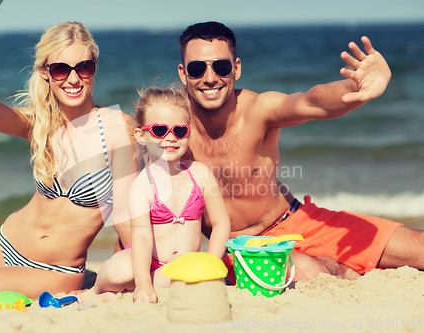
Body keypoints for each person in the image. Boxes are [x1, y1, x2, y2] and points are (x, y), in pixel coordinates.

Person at [176, 21, 421, 281]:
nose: (210, 78)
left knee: (418, 248)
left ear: (236, 69)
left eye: (222, 66)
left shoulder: (259, 109)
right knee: (310, 270)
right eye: (197, 68)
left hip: (299, 220)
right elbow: (130, 138)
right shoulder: (171, 128)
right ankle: (340, 267)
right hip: (242, 248)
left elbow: (310, 102)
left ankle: (345, 266)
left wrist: (358, 87)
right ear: (183, 74)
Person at [0, 15, 136, 304]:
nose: (73, 79)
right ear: (46, 72)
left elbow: (129, 219)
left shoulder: (117, 128)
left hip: (54, 272)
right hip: (3, 244)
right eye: (61, 69)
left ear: (94, 69)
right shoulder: (41, 124)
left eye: (84, 67)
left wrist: (113, 277)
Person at [87, 86, 231, 303]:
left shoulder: (200, 174)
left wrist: (211, 261)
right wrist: (143, 282)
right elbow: (142, 237)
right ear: (141, 135)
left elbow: (221, 223)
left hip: (184, 262)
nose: (171, 137)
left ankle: (122, 293)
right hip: (148, 261)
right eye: (160, 130)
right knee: (117, 271)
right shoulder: (142, 185)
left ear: (188, 133)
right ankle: (96, 290)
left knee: (189, 273)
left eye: (180, 131)